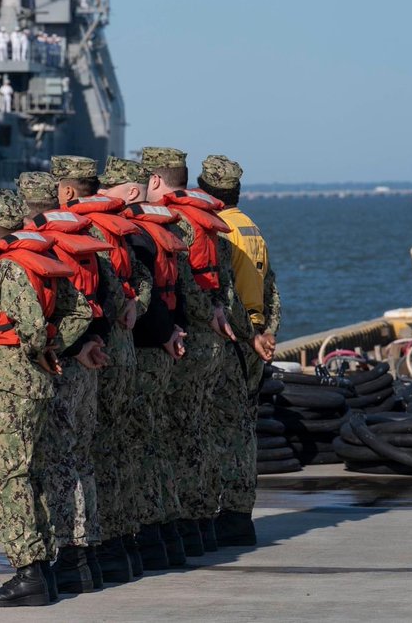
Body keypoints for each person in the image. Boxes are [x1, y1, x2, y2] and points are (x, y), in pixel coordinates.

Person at [0, 189, 75, 607]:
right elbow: (70, 313)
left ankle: (27, 574)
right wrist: (51, 348)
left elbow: (29, 323)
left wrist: (37, 347)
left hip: (11, 384)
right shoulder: (38, 260)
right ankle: (42, 570)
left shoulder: (8, 268)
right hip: (33, 384)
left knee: (2, 481)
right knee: (31, 475)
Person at [53, 159, 154, 582]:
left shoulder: (79, 229)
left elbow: (86, 302)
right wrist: (138, 308)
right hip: (122, 346)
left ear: (67, 194)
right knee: (119, 448)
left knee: (79, 456)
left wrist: (66, 345)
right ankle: (122, 548)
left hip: (93, 354)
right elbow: (133, 287)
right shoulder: (120, 229)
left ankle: (85, 553)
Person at [22, 166, 112, 591]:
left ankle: (70, 558)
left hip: (61, 367)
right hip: (88, 363)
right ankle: (88, 555)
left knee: (56, 464)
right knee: (80, 459)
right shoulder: (84, 242)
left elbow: (57, 312)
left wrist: (60, 347)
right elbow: (108, 296)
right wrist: (91, 340)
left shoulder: (47, 247)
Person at [142, 146, 235, 556]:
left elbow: (186, 286)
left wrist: (189, 321)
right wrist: (219, 315)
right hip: (211, 341)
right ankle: (200, 527)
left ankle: (176, 528)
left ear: (156, 181)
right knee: (197, 434)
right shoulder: (208, 220)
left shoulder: (174, 223)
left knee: (169, 440)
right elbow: (220, 285)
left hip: (185, 341)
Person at [100, 157, 191, 569]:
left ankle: (130, 545)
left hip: (136, 352)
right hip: (164, 344)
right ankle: (165, 537)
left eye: (109, 187)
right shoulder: (161, 229)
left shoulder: (132, 235)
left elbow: (140, 294)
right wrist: (174, 329)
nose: (100, 195)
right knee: (156, 443)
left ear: (132, 191)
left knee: (123, 450)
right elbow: (177, 289)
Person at [199, 155, 282, 547]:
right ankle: (239, 514)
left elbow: (227, 293)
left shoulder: (220, 231)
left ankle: (228, 515)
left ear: (203, 189)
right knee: (243, 431)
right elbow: (271, 291)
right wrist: (267, 333)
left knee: (222, 431)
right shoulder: (252, 229)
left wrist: (248, 335)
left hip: (234, 340)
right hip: (253, 339)